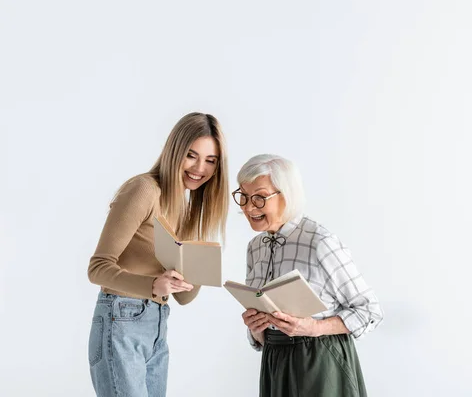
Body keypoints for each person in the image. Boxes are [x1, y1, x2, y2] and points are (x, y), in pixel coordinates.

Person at [87, 112, 229, 397]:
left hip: (157, 322)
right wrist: (153, 285)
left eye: (210, 160)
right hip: (121, 318)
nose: (200, 168)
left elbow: (184, 298)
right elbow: (97, 268)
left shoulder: (187, 210)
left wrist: (197, 265)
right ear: (175, 150)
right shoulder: (144, 190)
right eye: (191, 155)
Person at [233, 154, 383, 397]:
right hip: (274, 359)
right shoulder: (255, 247)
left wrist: (313, 327)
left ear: (287, 195)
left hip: (321, 358)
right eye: (244, 196)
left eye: (259, 198)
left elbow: (369, 311)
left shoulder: (320, 242)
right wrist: (256, 330)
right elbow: (263, 321)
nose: (249, 207)